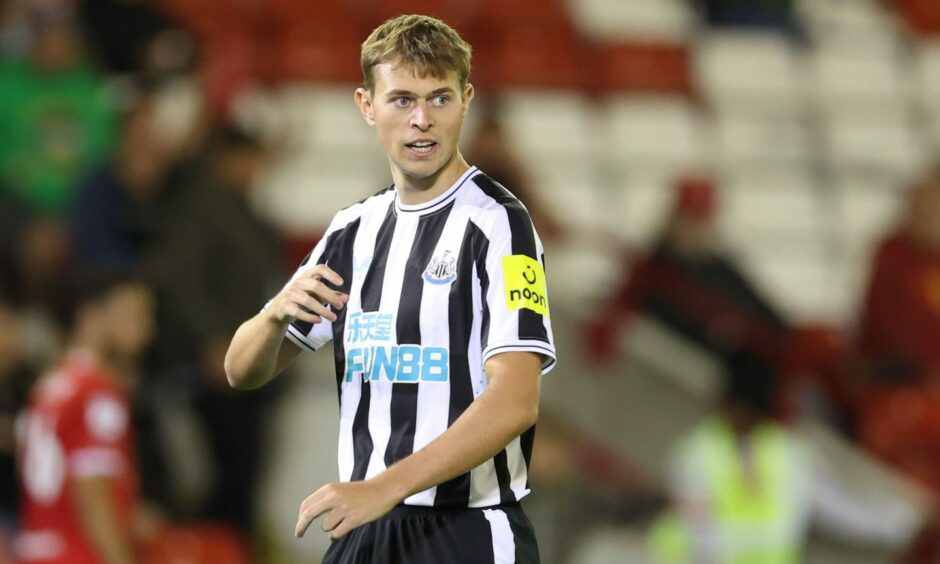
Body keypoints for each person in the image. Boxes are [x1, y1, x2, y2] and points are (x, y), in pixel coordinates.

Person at [224, 14, 555, 563]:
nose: (421, 120)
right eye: (402, 99)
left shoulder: (499, 224)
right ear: (367, 105)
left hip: (466, 531)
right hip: (366, 530)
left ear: (467, 100)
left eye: (439, 99)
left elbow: (516, 401)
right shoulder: (353, 231)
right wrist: (275, 313)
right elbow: (242, 371)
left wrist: (384, 487)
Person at [649, 352, 923, 563]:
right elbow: (703, 534)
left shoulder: (790, 454)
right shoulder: (697, 453)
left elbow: (844, 510)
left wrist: (911, 520)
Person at [15, 269, 155, 564]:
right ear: (91, 317)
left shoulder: (50, 385)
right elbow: (93, 498)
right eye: (132, 316)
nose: (145, 331)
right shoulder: (98, 394)